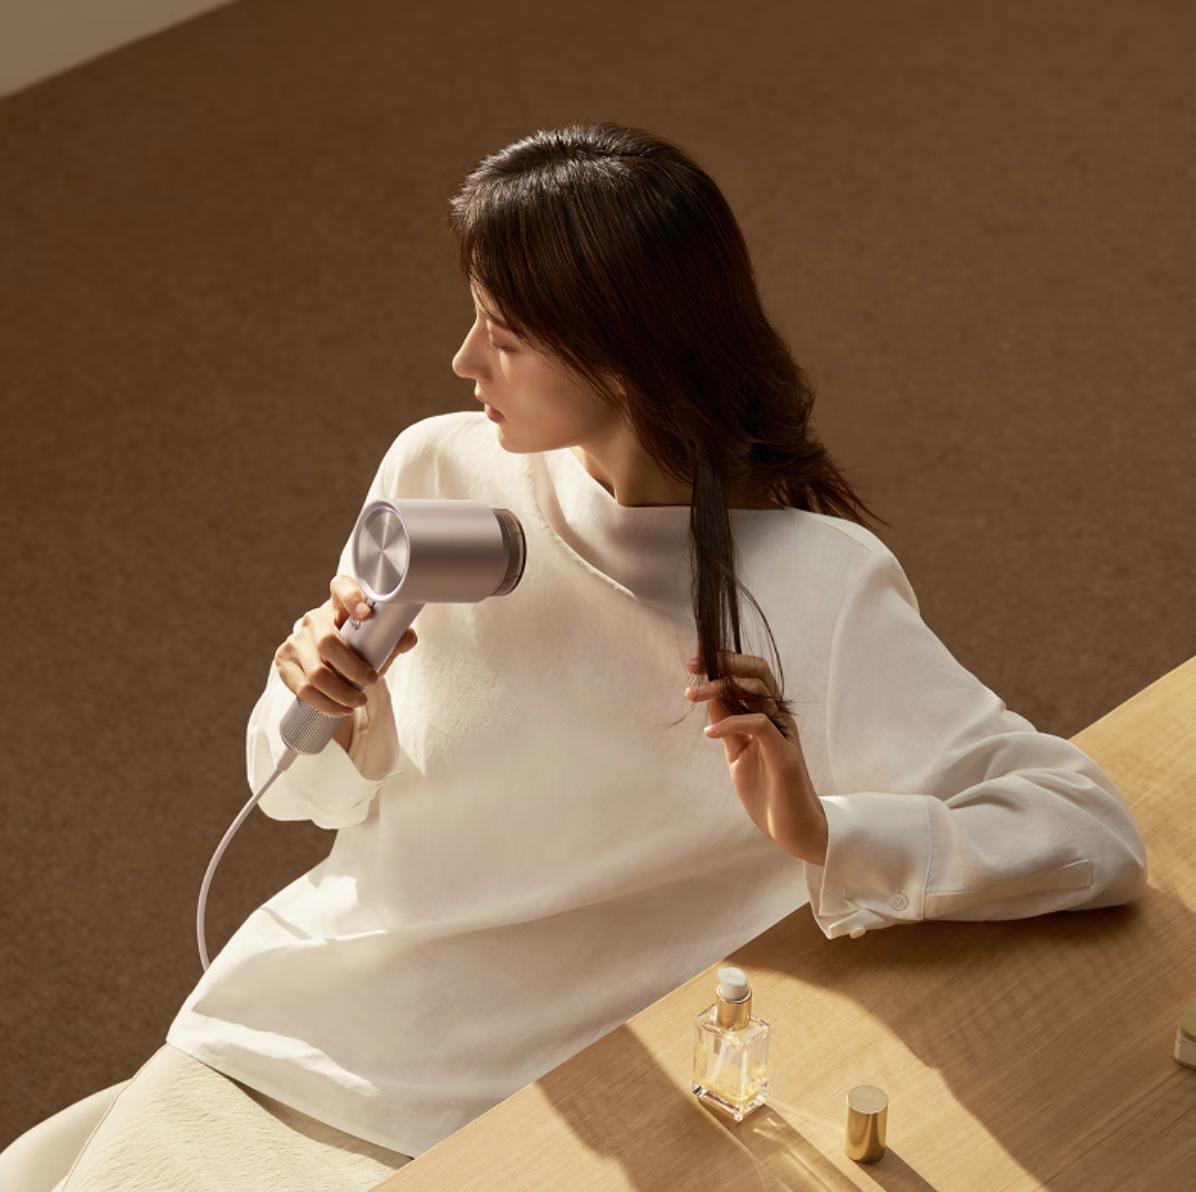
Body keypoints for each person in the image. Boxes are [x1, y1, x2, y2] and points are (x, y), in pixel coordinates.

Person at [58, 121, 1147, 1188]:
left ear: (622, 357)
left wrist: (823, 833)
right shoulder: (437, 469)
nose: (463, 360)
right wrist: (330, 708)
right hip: (306, 1018)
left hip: (545, 1111)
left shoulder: (816, 590)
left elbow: (1087, 830)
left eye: (503, 335)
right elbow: (293, 794)